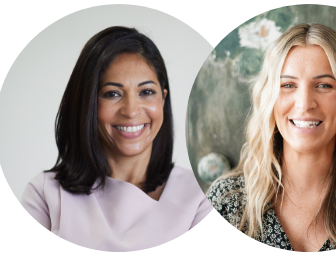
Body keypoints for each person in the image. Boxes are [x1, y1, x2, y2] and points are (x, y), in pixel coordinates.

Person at [206, 23, 336, 252]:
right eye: (288, 85)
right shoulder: (226, 200)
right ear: (269, 99)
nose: (305, 104)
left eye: (324, 85)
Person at [19, 26, 212, 251]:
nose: (131, 111)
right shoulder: (46, 194)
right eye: (112, 94)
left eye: (146, 92)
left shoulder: (202, 197)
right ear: (88, 103)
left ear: (163, 99)